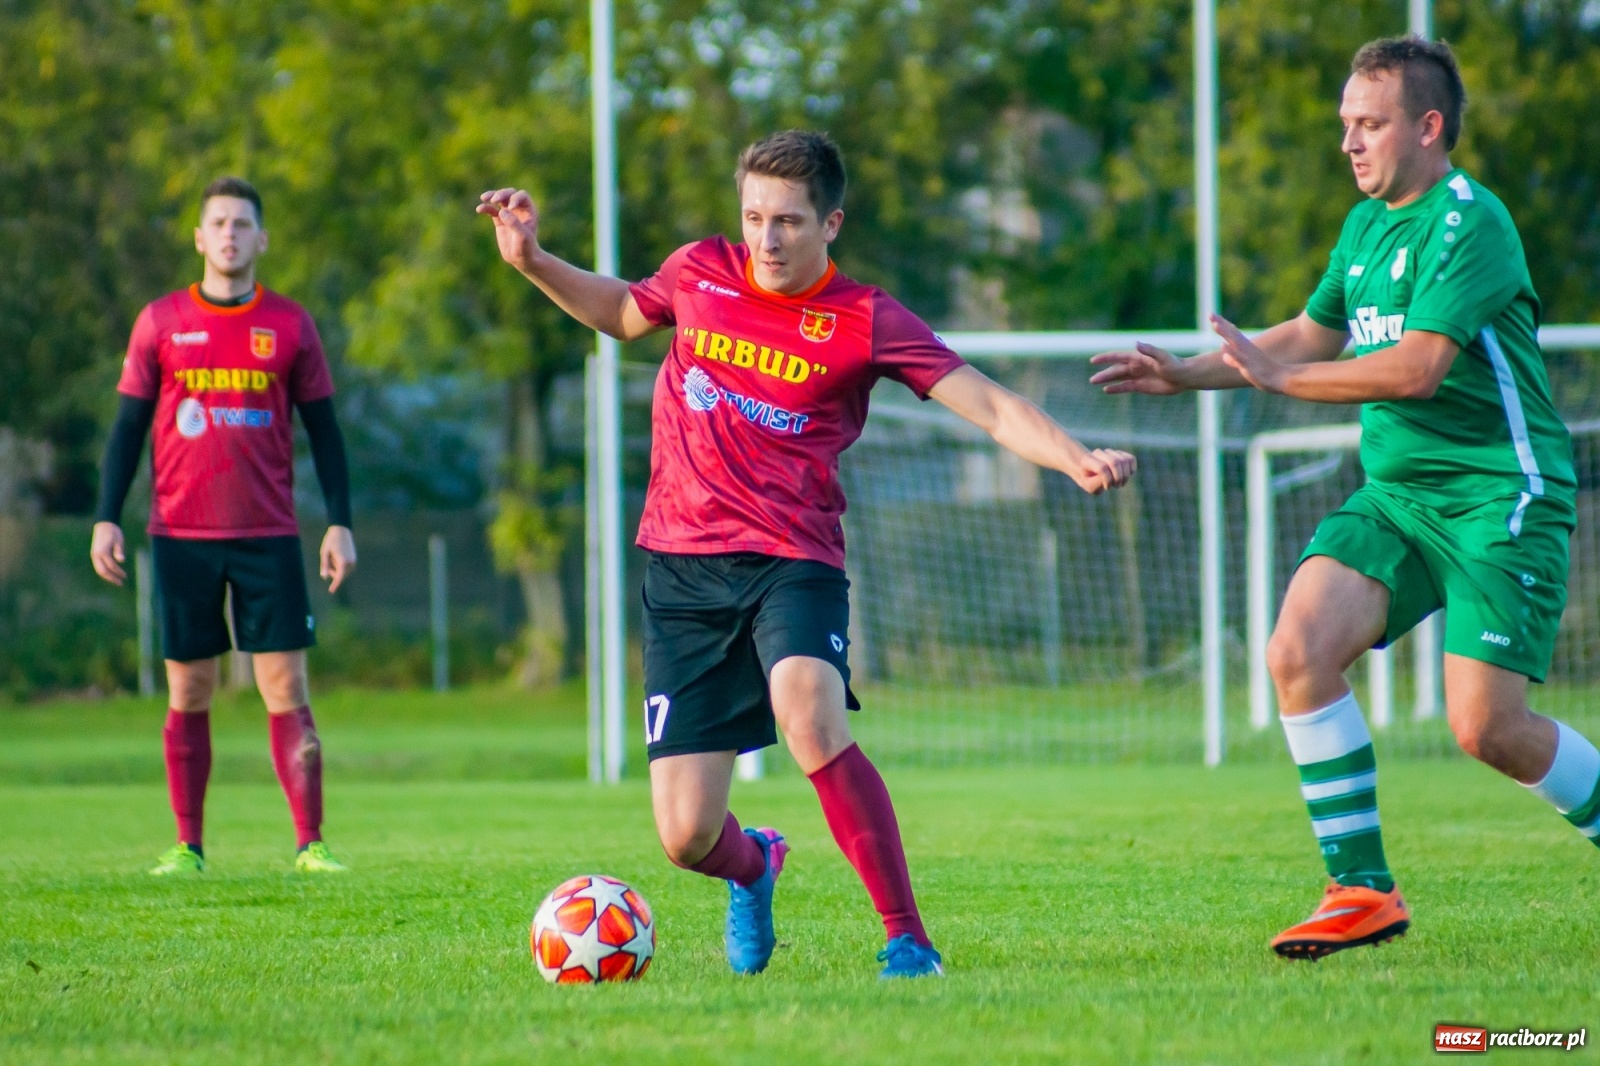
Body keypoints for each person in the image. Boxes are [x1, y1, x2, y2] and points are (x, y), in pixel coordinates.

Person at [479, 130, 1135, 978]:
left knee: (810, 715)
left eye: (787, 221)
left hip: (795, 558)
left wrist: (1071, 455)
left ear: (831, 224)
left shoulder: (865, 318)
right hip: (681, 568)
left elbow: (991, 405)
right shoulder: (697, 271)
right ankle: (756, 869)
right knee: (685, 837)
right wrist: (532, 259)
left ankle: (907, 939)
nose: (766, 239)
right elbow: (617, 313)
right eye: (753, 217)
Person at [1090, 36, 1595, 960]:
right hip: (1398, 498)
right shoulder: (1364, 227)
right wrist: (1190, 376)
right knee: (1296, 649)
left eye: (1369, 124)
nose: (1350, 143)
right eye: (1344, 126)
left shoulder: (1469, 223)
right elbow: (1310, 333)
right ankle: (1361, 890)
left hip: (1498, 498)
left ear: (1429, 127)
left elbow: (1416, 369)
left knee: (1488, 730)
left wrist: (1278, 381)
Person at [91, 176, 356, 876]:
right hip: (180, 533)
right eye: (219, 223)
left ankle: (311, 844)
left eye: (243, 223)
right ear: (200, 238)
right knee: (190, 689)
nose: (231, 234)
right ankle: (188, 846)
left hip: (268, 534)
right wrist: (104, 519)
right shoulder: (160, 321)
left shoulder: (292, 325)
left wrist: (339, 524)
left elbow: (326, 434)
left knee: (285, 688)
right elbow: (125, 429)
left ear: (261, 239)